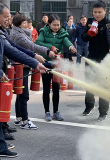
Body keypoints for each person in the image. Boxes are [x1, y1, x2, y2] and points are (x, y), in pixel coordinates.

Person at [0, 3, 47, 158]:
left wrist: (35, 62)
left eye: (9, 17)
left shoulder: (2, 33)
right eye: (6, 16)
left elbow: (12, 50)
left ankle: (1, 145)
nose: (9, 19)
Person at [10, 14, 56, 130]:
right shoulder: (19, 36)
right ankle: (25, 121)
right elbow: (31, 46)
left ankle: (19, 118)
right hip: (22, 65)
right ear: (19, 24)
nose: (27, 24)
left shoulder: (20, 33)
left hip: (23, 65)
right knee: (23, 94)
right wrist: (46, 51)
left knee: (20, 93)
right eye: (24, 22)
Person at [35, 14, 77, 121]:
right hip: (46, 63)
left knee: (56, 88)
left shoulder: (62, 32)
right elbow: (38, 42)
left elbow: (66, 41)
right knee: (46, 89)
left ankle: (56, 112)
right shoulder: (44, 31)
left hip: (57, 63)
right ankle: (47, 112)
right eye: (54, 25)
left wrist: (71, 46)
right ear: (49, 24)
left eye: (58, 25)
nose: (57, 27)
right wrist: (50, 48)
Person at [81, 1, 110, 121]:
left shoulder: (108, 24)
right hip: (91, 57)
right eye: (95, 12)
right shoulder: (91, 22)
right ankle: (89, 107)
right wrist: (90, 34)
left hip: (104, 60)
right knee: (90, 85)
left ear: (105, 11)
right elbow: (83, 37)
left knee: (103, 87)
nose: (97, 14)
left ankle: (103, 113)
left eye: (99, 12)